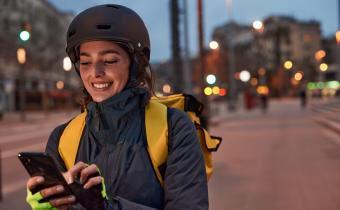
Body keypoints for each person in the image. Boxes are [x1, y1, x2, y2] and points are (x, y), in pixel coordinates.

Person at [25, 4, 208, 210]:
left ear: (136, 64)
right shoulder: (62, 138)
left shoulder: (173, 127)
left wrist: (106, 207)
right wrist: (48, 204)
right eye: (85, 62)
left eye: (110, 60)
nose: (95, 72)